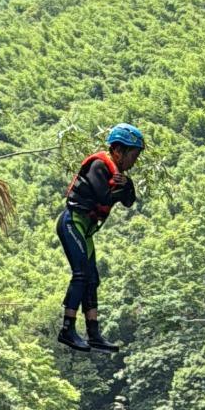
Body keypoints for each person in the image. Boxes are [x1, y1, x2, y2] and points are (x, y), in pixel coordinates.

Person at [56, 123, 144, 353]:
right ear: (119, 151)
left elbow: (128, 200)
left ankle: (93, 333)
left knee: (92, 278)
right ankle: (67, 329)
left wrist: (128, 185)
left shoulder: (120, 174)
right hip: (72, 222)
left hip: (86, 228)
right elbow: (103, 196)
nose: (134, 161)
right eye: (133, 155)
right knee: (81, 274)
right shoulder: (99, 164)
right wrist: (119, 188)